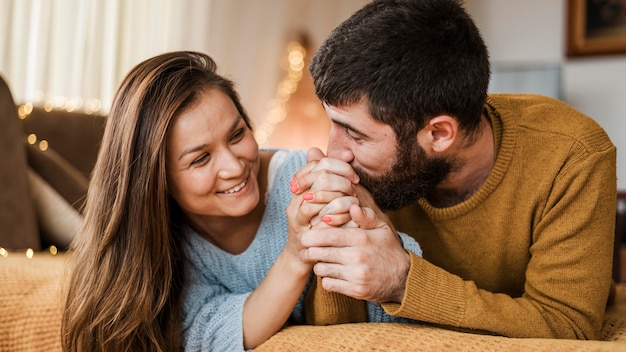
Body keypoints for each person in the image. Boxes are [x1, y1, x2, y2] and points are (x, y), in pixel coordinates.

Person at [291, 0, 617, 340]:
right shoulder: (365, 168)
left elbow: (568, 326)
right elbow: (331, 336)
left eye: (355, 134)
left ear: (438, 134)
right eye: (334, 124)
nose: (335, 153)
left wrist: (404, 282)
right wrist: (330, 230)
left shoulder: (573, 154)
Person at [61, 51, 422, 352]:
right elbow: (205, 336)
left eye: (237, 135)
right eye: (201, 159)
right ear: (155, 181)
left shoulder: (308, 184)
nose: (234, 167)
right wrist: (295, 256)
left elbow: (390, 309)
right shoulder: (163, 240)